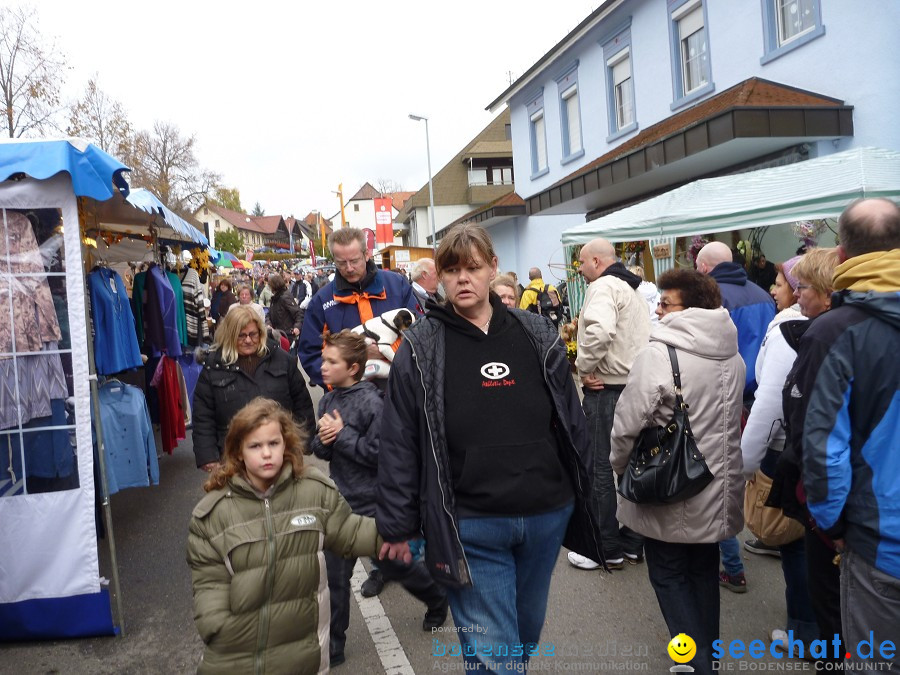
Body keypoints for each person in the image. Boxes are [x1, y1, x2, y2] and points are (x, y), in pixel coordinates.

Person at [376, 223, 601, 672]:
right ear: (439, 277)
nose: (463, 278)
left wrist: (590, 493)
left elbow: (572, 420)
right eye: (452, 269)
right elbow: (399, 440)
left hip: (545, 514)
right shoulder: (420, 346)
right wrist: (398, 525)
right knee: (497, 654)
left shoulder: (536, 332)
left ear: (493, 268)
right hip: (471, 524)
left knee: (521, 637)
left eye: (473, 268)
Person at [611, 269, 745, 675]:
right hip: (716, 487)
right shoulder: (731, 352)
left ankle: (695, 663)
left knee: (669, 577)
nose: (658, 309)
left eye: (665, 303)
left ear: (690, 309)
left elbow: (627, 424)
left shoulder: (660, 353)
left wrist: (619, 468)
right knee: (703, 574)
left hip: (669, 486)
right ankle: (709, 660)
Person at [187, 397, 381, 674]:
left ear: (285, 444)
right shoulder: (213, 514)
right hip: (240, 656)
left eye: (273, 444)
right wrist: (218, 629)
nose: (266, 453)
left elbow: (350, 531)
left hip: (303, 654)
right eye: (255, 446)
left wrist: (395, 534)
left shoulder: (314, 492)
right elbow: (209, 584)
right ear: (238, 451)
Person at [795, 198, 900, 668]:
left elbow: (823, 452)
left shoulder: (836, 330)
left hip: (880, 542)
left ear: (841, 256)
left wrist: (832, 525)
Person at [310, 330, 447, 665]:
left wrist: (341, 436)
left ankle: (436, 597)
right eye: (324, 360)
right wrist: (325, 440)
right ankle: (335, 648)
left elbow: (379, 455)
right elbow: (319, 450)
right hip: (339, 505)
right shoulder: (327, 401)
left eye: (331, 361)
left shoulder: (372, 402)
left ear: (354, 367)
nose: (323, 367)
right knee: (336, 581)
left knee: (395, 566)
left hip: (373, 504)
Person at [740, 253, 821, 651]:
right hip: (821, 446)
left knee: (794, 541)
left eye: (782, 283)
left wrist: (744, 464)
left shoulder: (788, 330)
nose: (775, 290)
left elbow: (770, 403)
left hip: (785, 448)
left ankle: (805, 631)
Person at [697, 240, 776, 590]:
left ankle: (731, 562)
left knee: (719, 479)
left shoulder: (711, 296)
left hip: (725, 394)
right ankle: (769, 532)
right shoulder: (763, 293)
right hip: (760, 394)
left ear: (703, 268)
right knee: (757, 475)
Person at [568, 238, 650, 571]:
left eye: (582, 263)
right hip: (635, 388)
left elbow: (600, 332)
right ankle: (632, 542)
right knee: (633, 468)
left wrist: (585, 368)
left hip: (608, 391)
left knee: (600, 468)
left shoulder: (602, 287)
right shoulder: (632, 289)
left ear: (597, 261)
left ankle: (606, 547)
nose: (580, 269)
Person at [191, 306, 315, 471]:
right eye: (241, 336)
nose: (248, 340)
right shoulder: (213, 367)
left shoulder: (282, 360)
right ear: (229, 335)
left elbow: (302, 404)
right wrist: (208, 456)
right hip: (232, 458)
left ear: (260, 333)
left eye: (253, 334)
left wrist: (303, 444)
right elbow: (203, 417)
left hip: (281, 454)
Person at [298, 227, 419, 388]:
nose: (349, 268)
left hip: (400, 390)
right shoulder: (322, 300)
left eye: (354, 261)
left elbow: (420, 331)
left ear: (366, 254)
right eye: (341, 263)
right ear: (333, 259)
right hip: (348, 400)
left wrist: (386, 351)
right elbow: (310, 353)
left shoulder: (397, 285)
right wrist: (341, 382)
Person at [266, 273, 302, 340]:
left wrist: (297, 327)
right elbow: (269, 314)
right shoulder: (274, 298)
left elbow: (298, 313)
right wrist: (268, 324)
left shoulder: (285, 297)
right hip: (276, 334)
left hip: (287, 335)